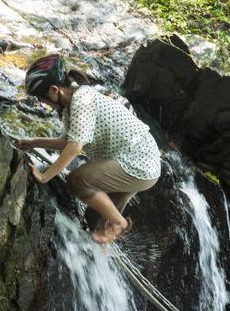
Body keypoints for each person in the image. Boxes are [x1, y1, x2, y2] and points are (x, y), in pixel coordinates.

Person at [16, 54, 161, 243]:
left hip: (138, 162)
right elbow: (68, 141)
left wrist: (45, 176)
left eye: (42, 99)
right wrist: (33, 142)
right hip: (138, 162)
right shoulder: (73, 103)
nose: (43, 104)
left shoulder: (82, 101)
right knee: (95, 222)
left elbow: (75, 148)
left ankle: (119, 223)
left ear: (54, 90)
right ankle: (104, 250)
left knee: (77, 181)